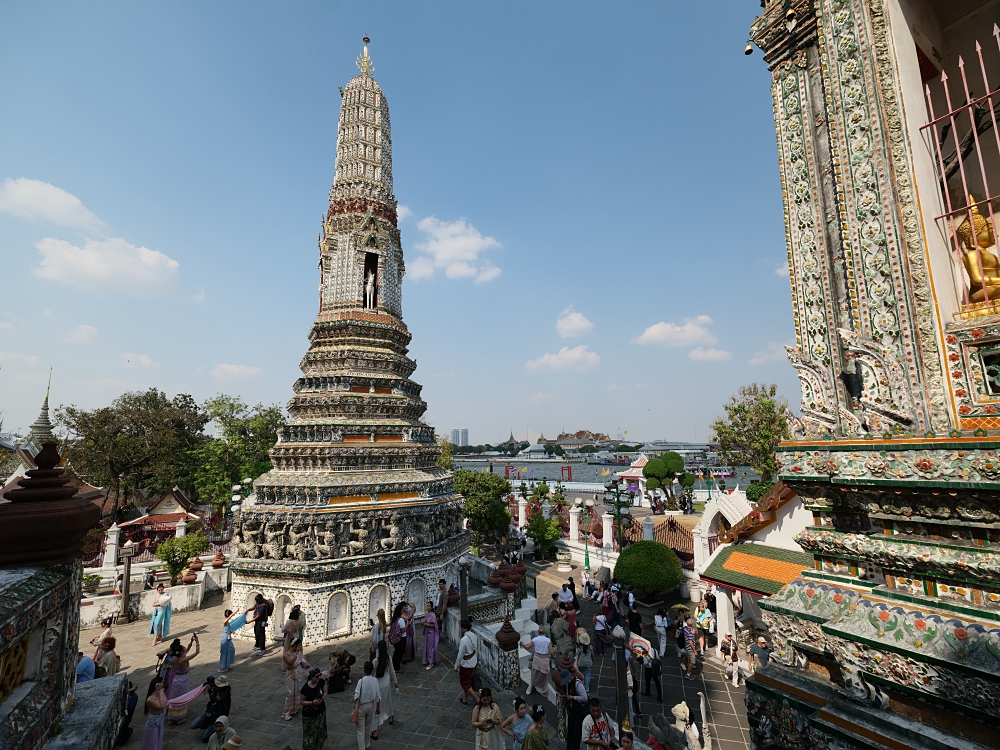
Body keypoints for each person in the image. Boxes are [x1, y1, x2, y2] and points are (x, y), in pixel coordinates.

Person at [162, 634, 199, 724]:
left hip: (175, 679)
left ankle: (172, 717)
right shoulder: (183, 660)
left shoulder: (175, 659)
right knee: (182, 697)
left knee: (174, 697)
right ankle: (180, 717)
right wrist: (197, 642)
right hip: (183, 679)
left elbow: (187, 649)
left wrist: (191, 642)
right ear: (182, 652)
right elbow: (197, 652)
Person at [371, 639, 399, 739]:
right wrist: (395, 682)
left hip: (378, 684)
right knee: (387, 701)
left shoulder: (375, 661)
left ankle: (375, 731)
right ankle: (390, 717)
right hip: (386, 683)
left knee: (376, 706)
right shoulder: (388, 658)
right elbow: (392, 672)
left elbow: (372, 673)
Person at [190, 675, 232, 742]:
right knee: (193, 725)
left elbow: (214, 700)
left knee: (204, 738)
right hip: (210, 711)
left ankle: (218, 728)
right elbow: (209, 679)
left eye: (219, 686)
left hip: (219, 715)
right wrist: (208, 684)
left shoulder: (226, 691)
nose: (217, 687)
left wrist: (210, 691)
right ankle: (206, 725)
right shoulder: (214, 684)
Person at [353, 661, 380, 750]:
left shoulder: (361, 681)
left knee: (360, 730)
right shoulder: (375, 680)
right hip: (371, 706)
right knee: (368, 728)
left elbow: (356, 697)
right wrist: (378, 708)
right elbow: (378, 697)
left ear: (364, 670)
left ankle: (362, 748)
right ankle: (367, 745)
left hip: (362, 706)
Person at [282, 637, 311, 720]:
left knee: (298, 690)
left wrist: (305, 665)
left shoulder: (298, 653)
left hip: (299, 673)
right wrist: (296, 652)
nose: (299, 647)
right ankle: (286, 712)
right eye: (298, 645)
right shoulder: (286, 655)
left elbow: (301, 661)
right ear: (294, 645)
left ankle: (294, 708)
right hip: (291, 674)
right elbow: (290, 662)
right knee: (290, 692)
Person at [560, 664, 588, 750]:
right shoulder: (569, 684)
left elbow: (584, 697)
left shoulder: (578, 684)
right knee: (570, 733)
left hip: (579, 712)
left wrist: (573, 698)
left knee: (576, 734)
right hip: (572, 711)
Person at [300, 667, 329, 750]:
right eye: (317, 676)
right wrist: (313, 702)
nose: (319, 677)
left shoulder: (321, 682)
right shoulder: (305, 688)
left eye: (320, 675)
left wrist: (322, 698)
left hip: (320, 711)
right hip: (309, 715)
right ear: (312, 677)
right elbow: (302, 702)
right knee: (310, 734)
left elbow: (325, 691)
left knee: (321, 732)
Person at [519, 624, 551, 698]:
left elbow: (527, 647)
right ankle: (542, 690)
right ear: (545, 632)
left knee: (534, 676)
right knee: (543, 678)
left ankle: (533, 687)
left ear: (538, 632)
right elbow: (551, 652)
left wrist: (522, 643)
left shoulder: (535, 639)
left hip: (536, 660)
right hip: (544, 661)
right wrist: (553, 656)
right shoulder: (547, 640)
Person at [454, 619, 479, 706]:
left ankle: (477, 699)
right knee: (469, 681)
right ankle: (465, 699)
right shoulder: (474, 636)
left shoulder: (463, 640)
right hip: (473, 661)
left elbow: (460, 655)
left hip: (466, 664)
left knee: (465, 683)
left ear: (464, 628)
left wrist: (456, 666)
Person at [140, 675, 168, 750]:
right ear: (157, 685)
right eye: (162, 683)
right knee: (152, 740)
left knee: (158, 738)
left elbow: (166, 704)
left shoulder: (160, 694)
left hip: (160, 719)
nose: (163, 684)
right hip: (153, 722)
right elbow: (162, 706)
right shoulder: (150, 699)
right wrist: (161, 694)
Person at [389, 602, 411, 672]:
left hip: (396, 639)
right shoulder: (400, 620)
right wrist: (407, 624)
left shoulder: (395, 619)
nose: (403, 611)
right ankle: (397, 668)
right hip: (401, 638)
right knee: (400, 652)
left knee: (396, 652)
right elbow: (403, 630)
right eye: (402, 610)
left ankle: (394, 664)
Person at [422, 599, 439, 669]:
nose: (427, 607)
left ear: (431, 607)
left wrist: (426, 624)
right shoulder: (427, 614)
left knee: (430, 647)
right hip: (426, 631)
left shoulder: (433, 615)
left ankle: (431, 662)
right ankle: (428, 660)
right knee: (426, 646)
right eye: (427, 605)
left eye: (429, 606)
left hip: (431, 632)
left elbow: (433, 625)